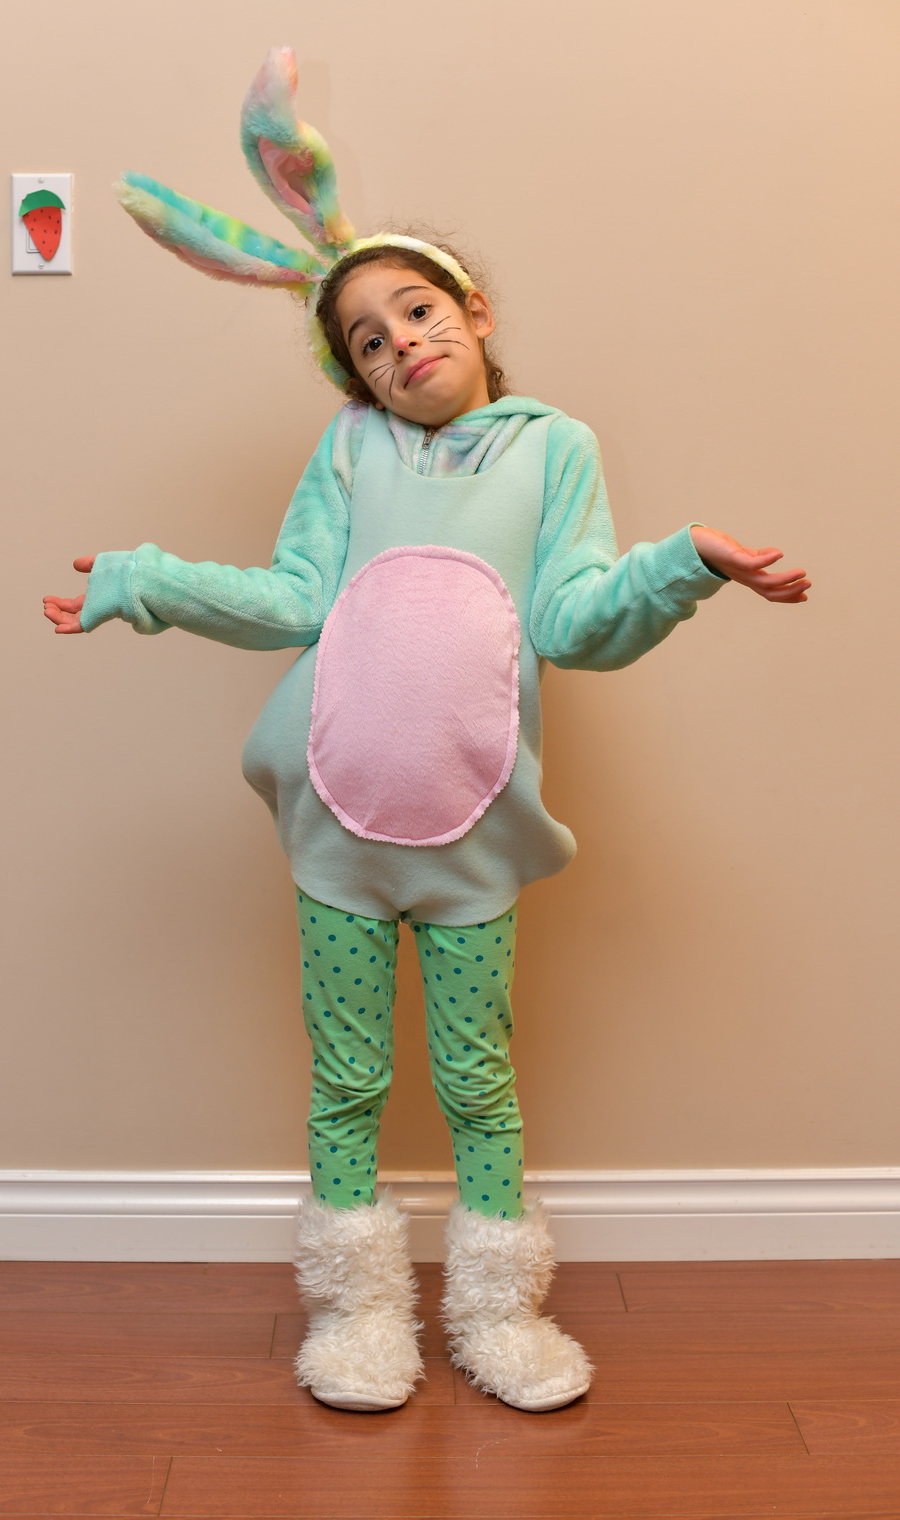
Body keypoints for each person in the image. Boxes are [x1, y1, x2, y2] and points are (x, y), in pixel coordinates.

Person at [43, 48, 809, 1415]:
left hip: (473, 836)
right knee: (346, 1078)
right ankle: (355, 1316)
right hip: (335, 828)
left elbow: (572, 620)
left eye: (416, 311)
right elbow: (290, 597)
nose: (401, 344)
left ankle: (497, 1313)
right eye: (368, 342)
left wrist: (684, 561)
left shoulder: (553, 448)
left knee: (475, 1079)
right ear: (355, 376)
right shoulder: (349, 452)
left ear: (474, 310)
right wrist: (140, 580)